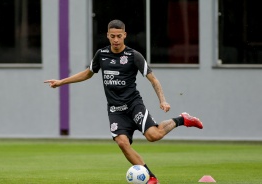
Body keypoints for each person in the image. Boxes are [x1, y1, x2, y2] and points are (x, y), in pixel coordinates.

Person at [44, 19, 203, 184]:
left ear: (124, 35)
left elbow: (153, 80)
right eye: (112, 36)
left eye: (119, 36)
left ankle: (182, 119)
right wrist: (61, 82)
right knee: (122, 142)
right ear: (107, 35)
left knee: (153, 135)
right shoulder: (101, 54)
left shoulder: (134, 56)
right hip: (115, 110)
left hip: (134, 105)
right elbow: (87, 73)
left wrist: (163, 101)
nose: (116, 40)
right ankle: (151, 177)